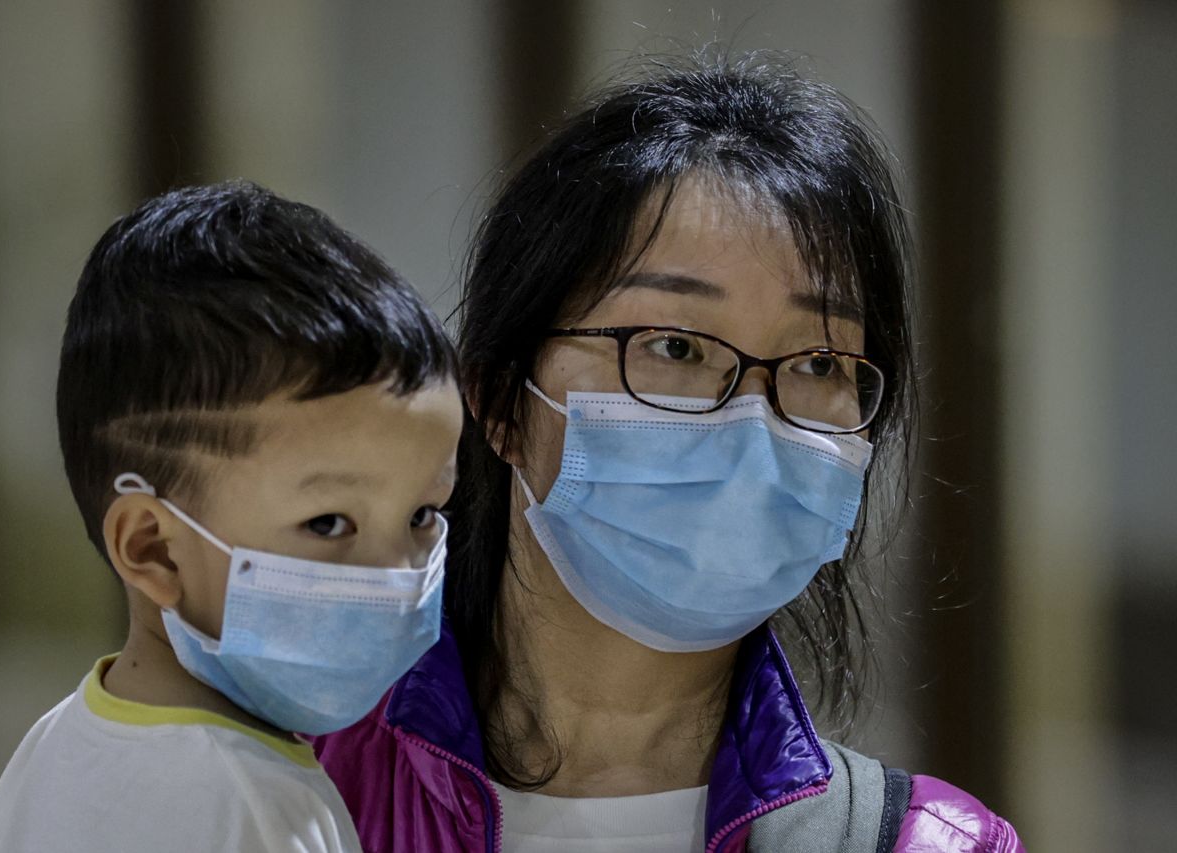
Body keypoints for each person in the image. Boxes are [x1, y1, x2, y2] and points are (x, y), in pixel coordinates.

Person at [312, 61, 1025, 852]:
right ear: (499, 399)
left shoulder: (931, 843)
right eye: (676, 346)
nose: (750, 421)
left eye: (821, 363)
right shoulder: (294, 791)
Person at [0, 181, 461, 852]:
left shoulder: (56, 745)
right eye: (328, 523)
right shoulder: (254, 807)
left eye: (422, 513)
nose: (398, 573)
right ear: (154, 548)